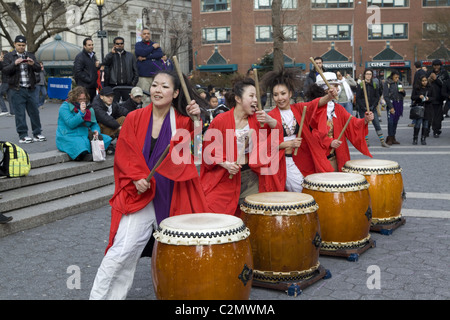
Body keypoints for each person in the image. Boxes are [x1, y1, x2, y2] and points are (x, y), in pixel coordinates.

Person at [89, 70, 208, 300]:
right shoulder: (134, 117)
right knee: (122, 251)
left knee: (179, 253)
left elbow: (198, 152)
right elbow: (124, 154)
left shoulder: (182, 121)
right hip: (141, 194)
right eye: (154, 85)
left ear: (175, 93)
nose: (157, 90)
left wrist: (196, 121)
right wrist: (135, 178)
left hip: (172, 195)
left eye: (164, 87)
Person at [200, 77, 283, 216]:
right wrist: (225, 164)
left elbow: (277, 135)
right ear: (238, 99)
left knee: (257, 216)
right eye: (251, 96)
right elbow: (208, 153)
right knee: (215, 214)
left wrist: (270, 120)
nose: (256, 100)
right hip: (225, 177)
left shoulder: (258, 120)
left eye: (256, 96)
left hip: (251, 177)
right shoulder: (220, 120)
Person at [261, 68, 340, 192]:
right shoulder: (270, 116)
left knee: (313, 185)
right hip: (283, 160)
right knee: (301, 191)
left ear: (290, 93)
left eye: (283, 93)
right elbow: (264, 146)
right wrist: (287, 144)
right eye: (276, 95)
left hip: (302, 157)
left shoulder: (299, 108)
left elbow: (316, 104)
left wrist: (329, 96)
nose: (279, 98)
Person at [306, 72, 373, 172]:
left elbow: (352, 123)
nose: (338, 89)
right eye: (335, 86)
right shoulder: (312, 108)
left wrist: (365, 120)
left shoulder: (337, 108)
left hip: (334, 157)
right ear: (325, 88)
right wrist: (329, 142)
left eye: (338, 86)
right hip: (316, 157)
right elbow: (311, 133)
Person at [1, 35, 46, 144]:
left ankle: (37, 133)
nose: (21, 47)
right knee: (20, 114)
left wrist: (32, 64)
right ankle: (23, 135)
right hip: (16, 89)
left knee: (34, 112)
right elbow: (5, 70)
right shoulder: (8, 56)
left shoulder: (30, 55)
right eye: (19, 45)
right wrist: (14, 63)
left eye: (23, 45)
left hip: (30, 88)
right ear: (14, 44)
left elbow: (38, 68)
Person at [56, 86, 112, 161]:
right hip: (69, 134)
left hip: (84, 133)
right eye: (80, 99)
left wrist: (96, 131)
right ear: (74, 98)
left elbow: (94, 124)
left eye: (84, 99)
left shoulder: (89, 108)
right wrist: (81, 113)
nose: (82, 101)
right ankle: (83, 155)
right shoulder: (65, 107)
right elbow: (71, 124)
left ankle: (87, 152)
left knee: (106, 139)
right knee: (80, 143)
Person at [356, 69, 389, 148]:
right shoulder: (361, 84)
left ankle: (382, 141)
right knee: (364, 125)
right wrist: (363, 107)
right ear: (364, 75)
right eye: (367, 74)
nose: (368, 76)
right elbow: (358, 98)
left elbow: (377, 96)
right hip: (363, 109)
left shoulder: (374, 84)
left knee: (377, 124)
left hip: (372, 108)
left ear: (372, 76)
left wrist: (372, 107)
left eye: (370, 74)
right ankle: (366, 142)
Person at [103, 36, 139, 103]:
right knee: (114, 106)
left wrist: (133, 83)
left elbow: (135, 71)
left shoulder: (130, 56)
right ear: (114, 45)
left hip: (127, 85)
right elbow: (105, 63)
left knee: (128, 105)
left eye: (121, 43)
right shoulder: (111, 55)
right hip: (114, 86)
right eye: (117, 44)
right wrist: (111, 53)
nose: (120, 45)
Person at [135, 28, 164, 94]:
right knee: (145, 97)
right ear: (141, 35)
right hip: (143, 77)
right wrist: (152, 48)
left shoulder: (155, 44)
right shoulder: (138, 45)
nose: (146, 35)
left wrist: (146, 57)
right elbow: (141, 53)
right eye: (144, 34)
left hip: (156, 76)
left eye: (148, 33)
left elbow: (159, 54)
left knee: (156, 95)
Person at [73, 38, 100, 103]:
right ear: (84, 46)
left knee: (93, 106)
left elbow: (92, 69)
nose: (91, 47)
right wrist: (89, 80)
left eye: (92, 45)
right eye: (89, 45)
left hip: (92, 86)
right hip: (85, 87)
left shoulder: (93, 56)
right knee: (84, 106)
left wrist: (97, 67)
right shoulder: (80, 57)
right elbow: (78, 72)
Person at [427, 59, 449, 138]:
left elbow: (445, 85)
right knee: (429, 116)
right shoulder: (429, 73)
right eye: (434, 65)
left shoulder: (444, 73)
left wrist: (436, 79)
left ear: (440, 66)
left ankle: (436, 131)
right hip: (429, 98)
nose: (436, 67)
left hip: (439, 98)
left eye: (438, 65)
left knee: (438, 117)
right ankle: (426, 131)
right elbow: (423, 83)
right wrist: (428, 80)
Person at [383, 70, 406, 145]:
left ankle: (393, 137)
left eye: (398, 76)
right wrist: (390, 107)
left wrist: (403, 91)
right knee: (390, 121)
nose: (397, 77)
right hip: (391, 103)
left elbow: (403, 95)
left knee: (395, 121)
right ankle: (389, 137)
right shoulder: (387, 83)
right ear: (392, 76)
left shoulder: (399, 83)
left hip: (399, 103)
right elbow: (386, 96)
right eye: (395, 76)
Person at [411, 75, 434, 145]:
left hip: (427, 107)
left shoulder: (430, 87)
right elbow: (412, 97)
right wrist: (419, 96)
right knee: (418, 123)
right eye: (423, 81)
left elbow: (434, 97)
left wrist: (428, 99)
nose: (424, 82)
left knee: (426, 124)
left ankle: (423, 138)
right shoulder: (416, 88)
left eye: (425, 80)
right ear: (420, 81)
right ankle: (415, 138)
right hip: (419, 108)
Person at [0, 50, 12, 116]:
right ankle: (12, 112)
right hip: (10, 81)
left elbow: (1, 68)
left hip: (5, 81)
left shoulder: (4, 62)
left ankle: (4, 110)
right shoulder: (10, 60)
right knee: (9, 96)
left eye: (1, 55)